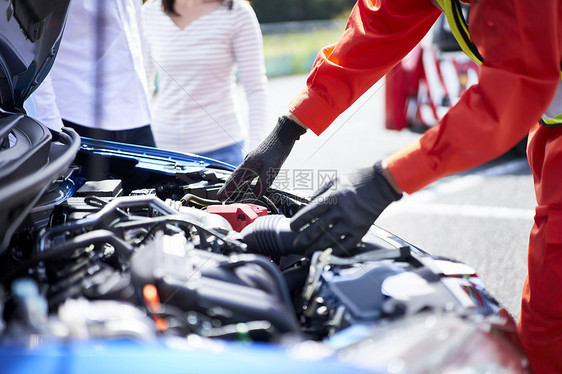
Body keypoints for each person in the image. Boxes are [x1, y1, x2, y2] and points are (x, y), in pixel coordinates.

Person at [218, 0, 562, 372]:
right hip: (552, 135)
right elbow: (378, 24)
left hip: (540, 113)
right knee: (547, 328)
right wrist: (289, 127)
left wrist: (385, 180)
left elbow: (514, 87)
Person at [141, 0, 267, 166]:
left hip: (223, 153)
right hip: (163, 154)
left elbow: (255, 88)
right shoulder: (149, 12)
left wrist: (255, 153)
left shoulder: (237, 12)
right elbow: (143, 86)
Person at [28, 0, 156, 147]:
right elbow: (33, 49)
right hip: (75, 118)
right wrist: (52, 126)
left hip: (136, 117)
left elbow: (135, 27)